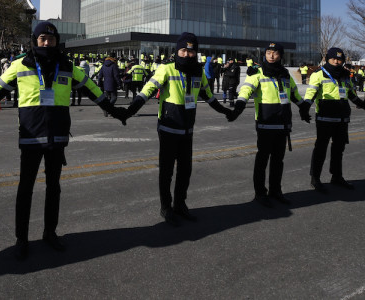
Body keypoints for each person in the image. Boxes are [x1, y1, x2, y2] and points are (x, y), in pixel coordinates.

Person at [0, 21, 127, 260]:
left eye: (51, 39)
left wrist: (117, 112)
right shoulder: (19, 66)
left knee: (54, 188)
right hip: (31, 137)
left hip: (57, 138)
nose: (47, 43)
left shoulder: (67, 66)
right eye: (43, 38)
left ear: (57, 42)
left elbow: (93, 91)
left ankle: (50, 232)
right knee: (25, 189)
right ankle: (21, 238)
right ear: (35, 40)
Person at [119, 32, 233, 226]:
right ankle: (166, 207)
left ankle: (180, 204)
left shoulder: (198, 72)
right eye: (183, 50)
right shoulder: (167, 69)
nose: (187, 54)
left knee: (185, 171)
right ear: (176, 51)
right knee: (167, 171)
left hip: (188, 129)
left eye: (191, 51)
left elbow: (209, 96)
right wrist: (130, 110)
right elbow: (147, 90)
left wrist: (225, 111)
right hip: (168, 128)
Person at [227, 42, 306, 207]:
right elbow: (245, 91)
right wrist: (238, 108)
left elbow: (294, 94)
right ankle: (260, 193)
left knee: (278, 161)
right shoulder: (258, 73)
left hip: (283, 124)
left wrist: (303, 108)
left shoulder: (285, 74)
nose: (271, 55)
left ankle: (276, 191)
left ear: (280, 55)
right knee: (262, 160)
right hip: (265, 124)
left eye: (275, 53)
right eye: (268, 52)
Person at [303, 48, 365, 194]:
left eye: (339, 59)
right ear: (327, 59)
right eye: (333, 59)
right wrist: (304, 108)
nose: (336, 62)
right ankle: (315, 178)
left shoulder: (345, 75)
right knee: (321, 149)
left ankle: (336, 176)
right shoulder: (319, 74)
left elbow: (351, 94)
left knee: (339, 149)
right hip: (325, 118)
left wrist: (362, 104)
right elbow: (311, 93)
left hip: (342, 118)